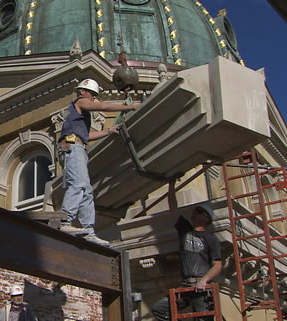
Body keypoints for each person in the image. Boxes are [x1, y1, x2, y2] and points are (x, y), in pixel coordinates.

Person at [58, 78, 140, 246]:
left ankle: (89, 231)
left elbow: (86, 137)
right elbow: (102, 106)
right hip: (71, 146)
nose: (94, 98)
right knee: (79, 184)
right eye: (92, 94)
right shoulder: (80, 102)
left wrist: (108, 131)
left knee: (87, 190)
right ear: (82, 92)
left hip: (78, 145)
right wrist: (130, 106)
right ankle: (64, 221)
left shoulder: (80, 116)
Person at [152, 180, 222, 320]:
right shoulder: (185, 231)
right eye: (194, 211)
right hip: (186, 285)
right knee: (160, 309)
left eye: (198, 212)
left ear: (206, 218)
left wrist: (204, 280)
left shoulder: (211, 239)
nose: (194, 214)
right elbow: (173, 209)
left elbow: (217, 265)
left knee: (202, 318)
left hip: (201, 287)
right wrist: (171, 185)